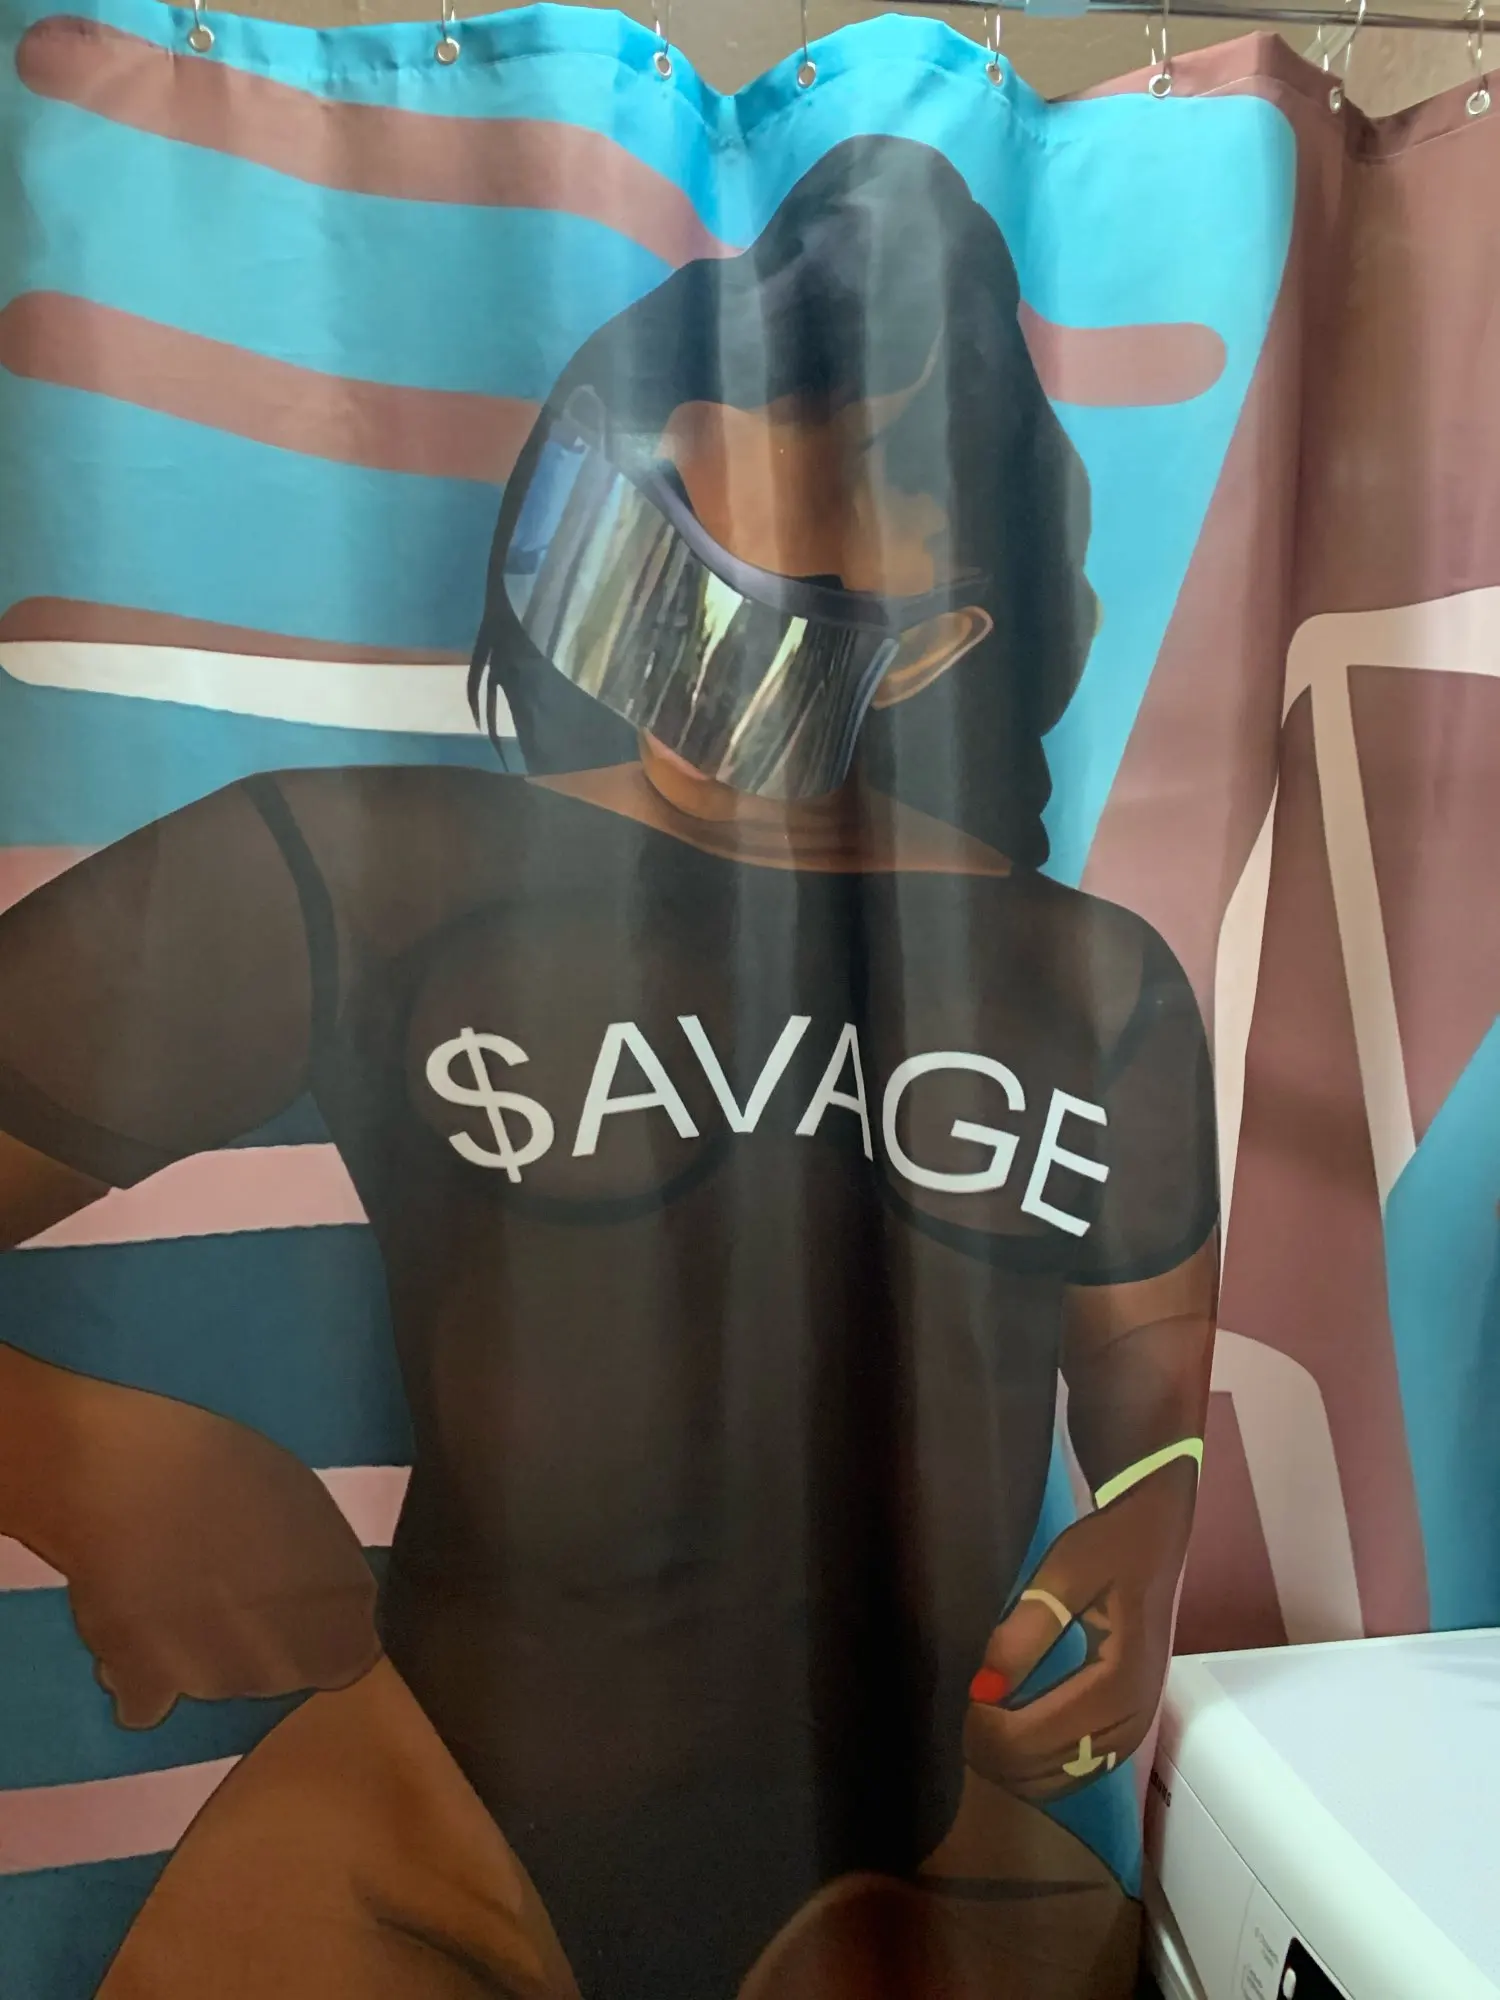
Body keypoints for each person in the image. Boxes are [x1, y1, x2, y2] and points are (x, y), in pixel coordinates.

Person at [0, 135, 1217, 1999]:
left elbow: (1140, 1349)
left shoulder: (1090, 979)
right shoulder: (352, 874)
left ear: (936, 645)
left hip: (928, 1888)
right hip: (419, 1857)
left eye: (771, 618)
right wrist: (80, 1458)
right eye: (654, 563)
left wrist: (1159, 1493)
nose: (681, 678)